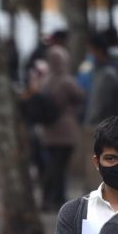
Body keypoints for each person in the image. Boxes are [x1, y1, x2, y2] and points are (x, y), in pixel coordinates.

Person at [39, 45, 85, 211]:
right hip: (66, 130)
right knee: (60, 167)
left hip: (49, 130)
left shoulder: (45, 81)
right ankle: (58, 197)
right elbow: (80, 96)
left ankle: (49, 197)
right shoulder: (66, 81)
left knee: (52, 165)